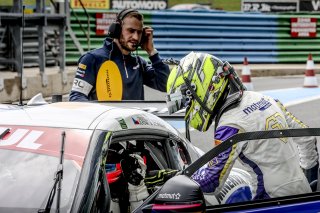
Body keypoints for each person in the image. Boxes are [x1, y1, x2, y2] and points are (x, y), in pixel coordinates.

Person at [165, 51, 319, 200]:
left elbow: (212, 181)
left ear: (205, 88)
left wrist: (173, 177)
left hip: (269, 202)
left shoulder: (230, 124)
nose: (189, 107)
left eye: (189, 101)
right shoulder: (265, 98)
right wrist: (310, 182)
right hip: (303, 195)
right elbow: (307, 138)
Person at [69, 9, 170, 101]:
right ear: (116, 30)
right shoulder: (92, 59)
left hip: (134, 121)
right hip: (107, 120)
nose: (135, 37)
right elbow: (77, 97)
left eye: (139, 32)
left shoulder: (139, 63)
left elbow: (165, 85)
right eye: (130, 31)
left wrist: (152, 52)